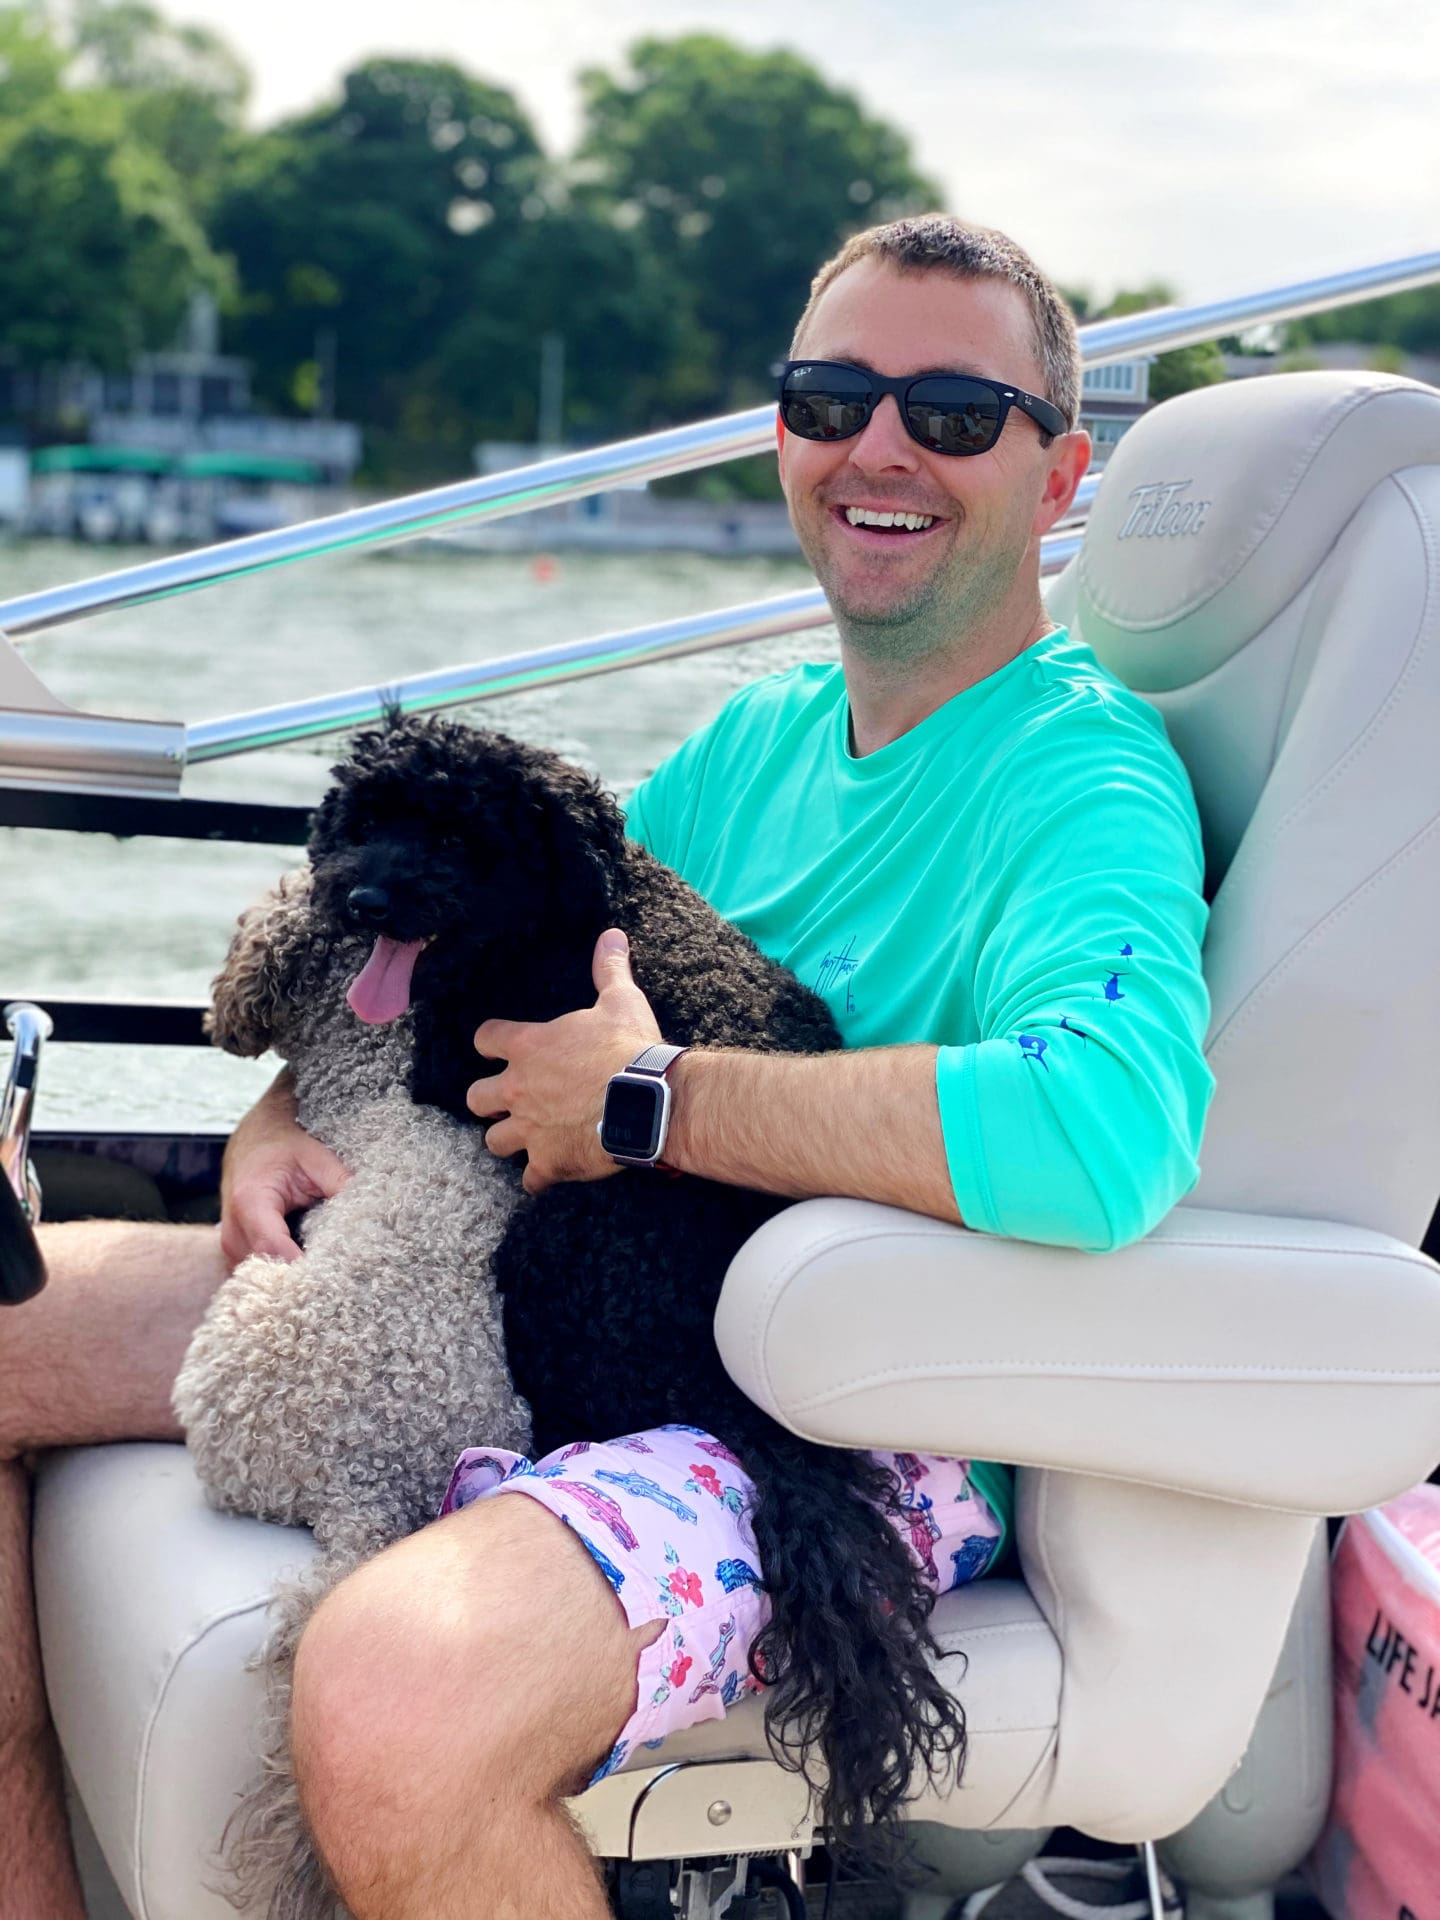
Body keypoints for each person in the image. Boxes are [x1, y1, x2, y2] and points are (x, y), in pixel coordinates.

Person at [1, 215, 1213, 1920]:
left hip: (837, 1407)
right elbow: (478, 935)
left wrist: (656, 1102)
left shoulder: (1083, 778)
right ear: (783, 433)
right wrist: (284, 1108)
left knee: (394, 1694)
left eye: (951, 412)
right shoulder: (758, 739)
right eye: (832, 397)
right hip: (519, 1276)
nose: (879, 446)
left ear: (1061, 474)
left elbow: (1102, 1129)